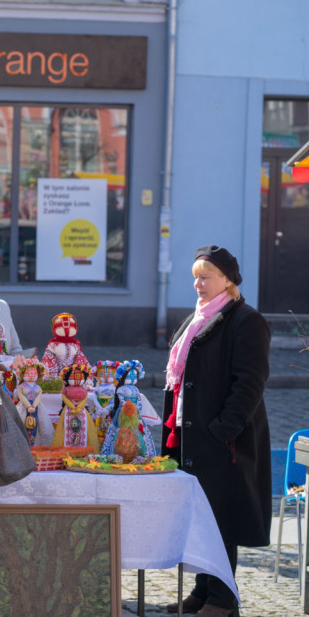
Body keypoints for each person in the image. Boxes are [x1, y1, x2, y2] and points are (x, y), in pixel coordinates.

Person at [161, 245, 271, 617]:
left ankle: (224, 600)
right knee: (200, 521)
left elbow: (249, 385)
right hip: (191, 438)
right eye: (195, 276)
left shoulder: (245, 321)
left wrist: (222, 429)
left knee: (222, 519)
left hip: (224, 443)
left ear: (228, 280)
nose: (197, 283)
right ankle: (203, 590)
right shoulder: (195, 320)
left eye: (205, 276)